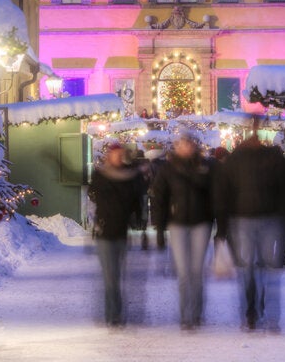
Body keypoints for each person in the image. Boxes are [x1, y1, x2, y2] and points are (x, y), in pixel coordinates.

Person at [216, 126, 285, 332]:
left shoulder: (236, 160)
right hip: (261, 221)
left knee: (252, 268)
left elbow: (224, 193)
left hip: (249, 220)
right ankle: (264, 314)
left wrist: (223, 227)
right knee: (265, 269)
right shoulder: (273, 159)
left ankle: (254, 313)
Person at [150, 133, 216, 330]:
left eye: (189, 144)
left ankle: (196, 313)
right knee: (183, 272)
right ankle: (185, 315)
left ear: (194, 146)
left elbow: (215, 193)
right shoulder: (168, 168)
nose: (185, 148)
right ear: (176, 147)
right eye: (182, 144)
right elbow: (159, 198)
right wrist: (159, 228)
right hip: (177, 223)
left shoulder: (205, 167)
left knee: (196, 271)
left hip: (201, 223)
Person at [88, 143, 143, 328]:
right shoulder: (101, 176)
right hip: (104, 231)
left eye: (121, 154)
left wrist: (137, 218)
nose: (118, 157)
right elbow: (94, 195)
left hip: (121, 231)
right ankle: (113, 315)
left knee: (116, 274)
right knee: (110, 276)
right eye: (115, 154)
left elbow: (136, 198)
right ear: (109, 156)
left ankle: (115, 313)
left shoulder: (129, 176)